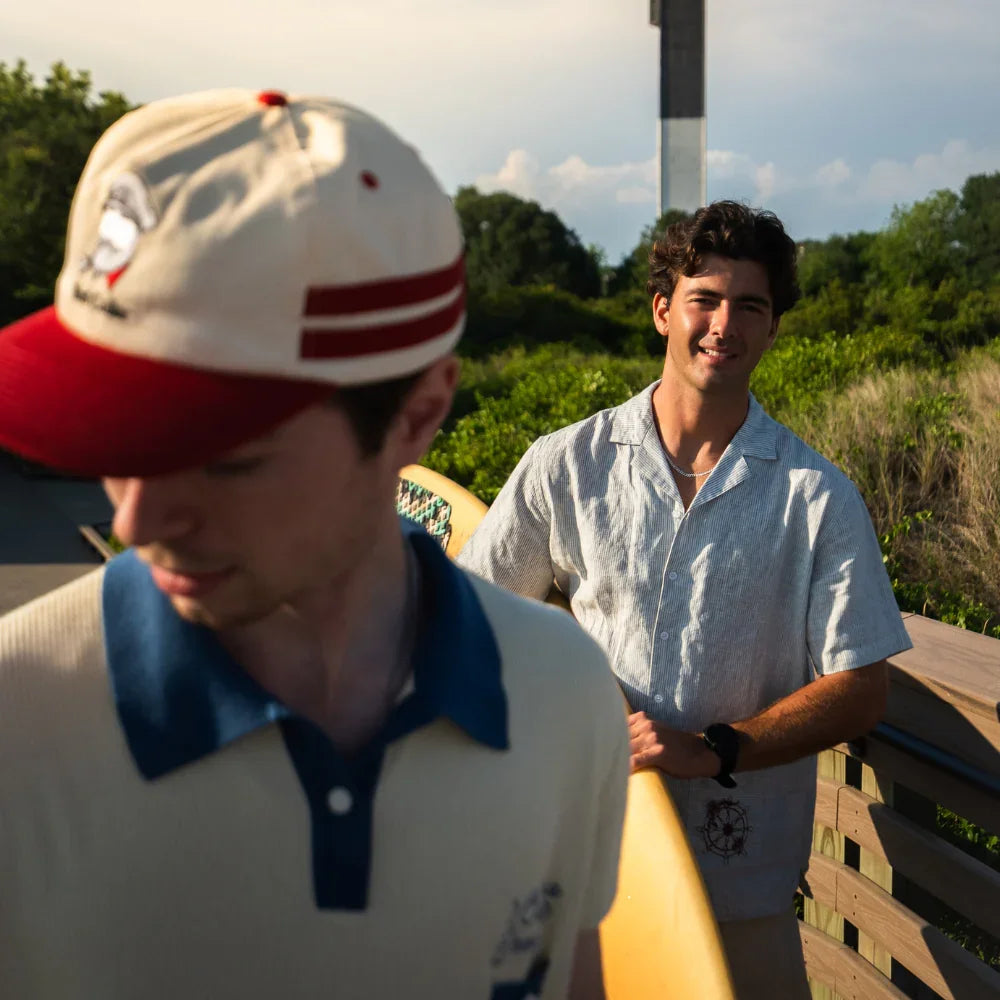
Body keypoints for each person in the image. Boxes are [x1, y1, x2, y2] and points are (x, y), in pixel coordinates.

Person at [0, 89, 628, 999]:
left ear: (417, 416)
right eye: (118, 443)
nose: (135, 522)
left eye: (225, 463)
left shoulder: (563, 698)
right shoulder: (18, 718)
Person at [458, 201, 913, 998]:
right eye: (705, 298)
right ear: (663, 308)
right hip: (582, 877)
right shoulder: (565, 465)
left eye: (752, 306)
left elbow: (860, 688)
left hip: (745, 891)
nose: (724, 324)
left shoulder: (818, 497)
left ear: (773, 329)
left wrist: (715, 748)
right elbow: (466, 625)